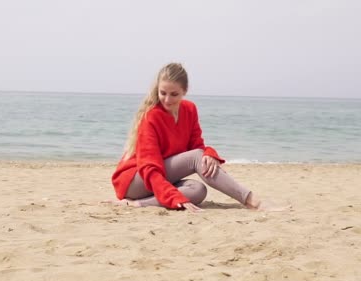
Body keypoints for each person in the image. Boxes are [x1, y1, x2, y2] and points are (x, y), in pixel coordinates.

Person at [111, 62, 289, 213]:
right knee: (198, 157)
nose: (166, 99)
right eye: (162, 93)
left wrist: (209, 154)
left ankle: (138, 204)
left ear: (185, 91)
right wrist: (172, 196)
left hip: (158, 177)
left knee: (198, 190)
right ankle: (252, 201)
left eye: (174, 94)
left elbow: (196, 144)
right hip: (135, 180)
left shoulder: (189, 110)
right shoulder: (151, 117)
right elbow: (150, 168)